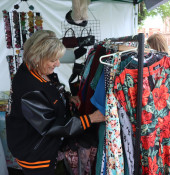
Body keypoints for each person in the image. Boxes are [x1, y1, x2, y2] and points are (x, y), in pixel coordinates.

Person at [5, 30, 105, 175]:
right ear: (36, 58)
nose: (57, 64)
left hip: (40, 145)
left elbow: (49, 93)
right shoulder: (29, 88)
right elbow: (51, 126)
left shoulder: (36, 70)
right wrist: (90, 119)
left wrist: (66, 97)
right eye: (53, 60)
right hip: (34, 153)